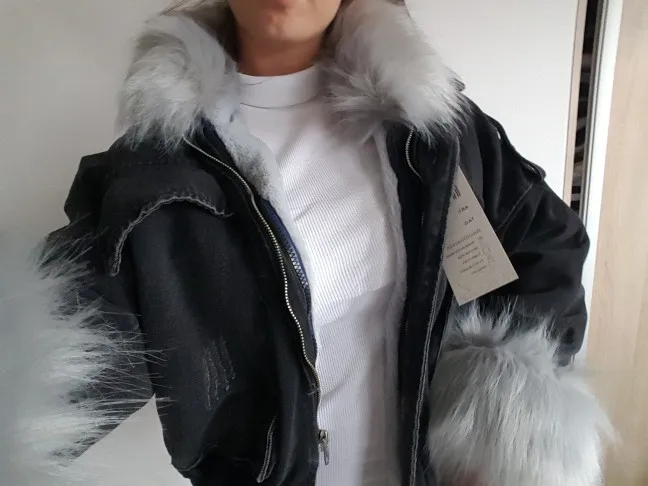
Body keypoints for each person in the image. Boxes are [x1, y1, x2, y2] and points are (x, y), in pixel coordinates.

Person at [0, 1, 612, 486]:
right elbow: (61, 345)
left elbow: (547, 245)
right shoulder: (156, 174)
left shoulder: (431, 131)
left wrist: (499, 418)